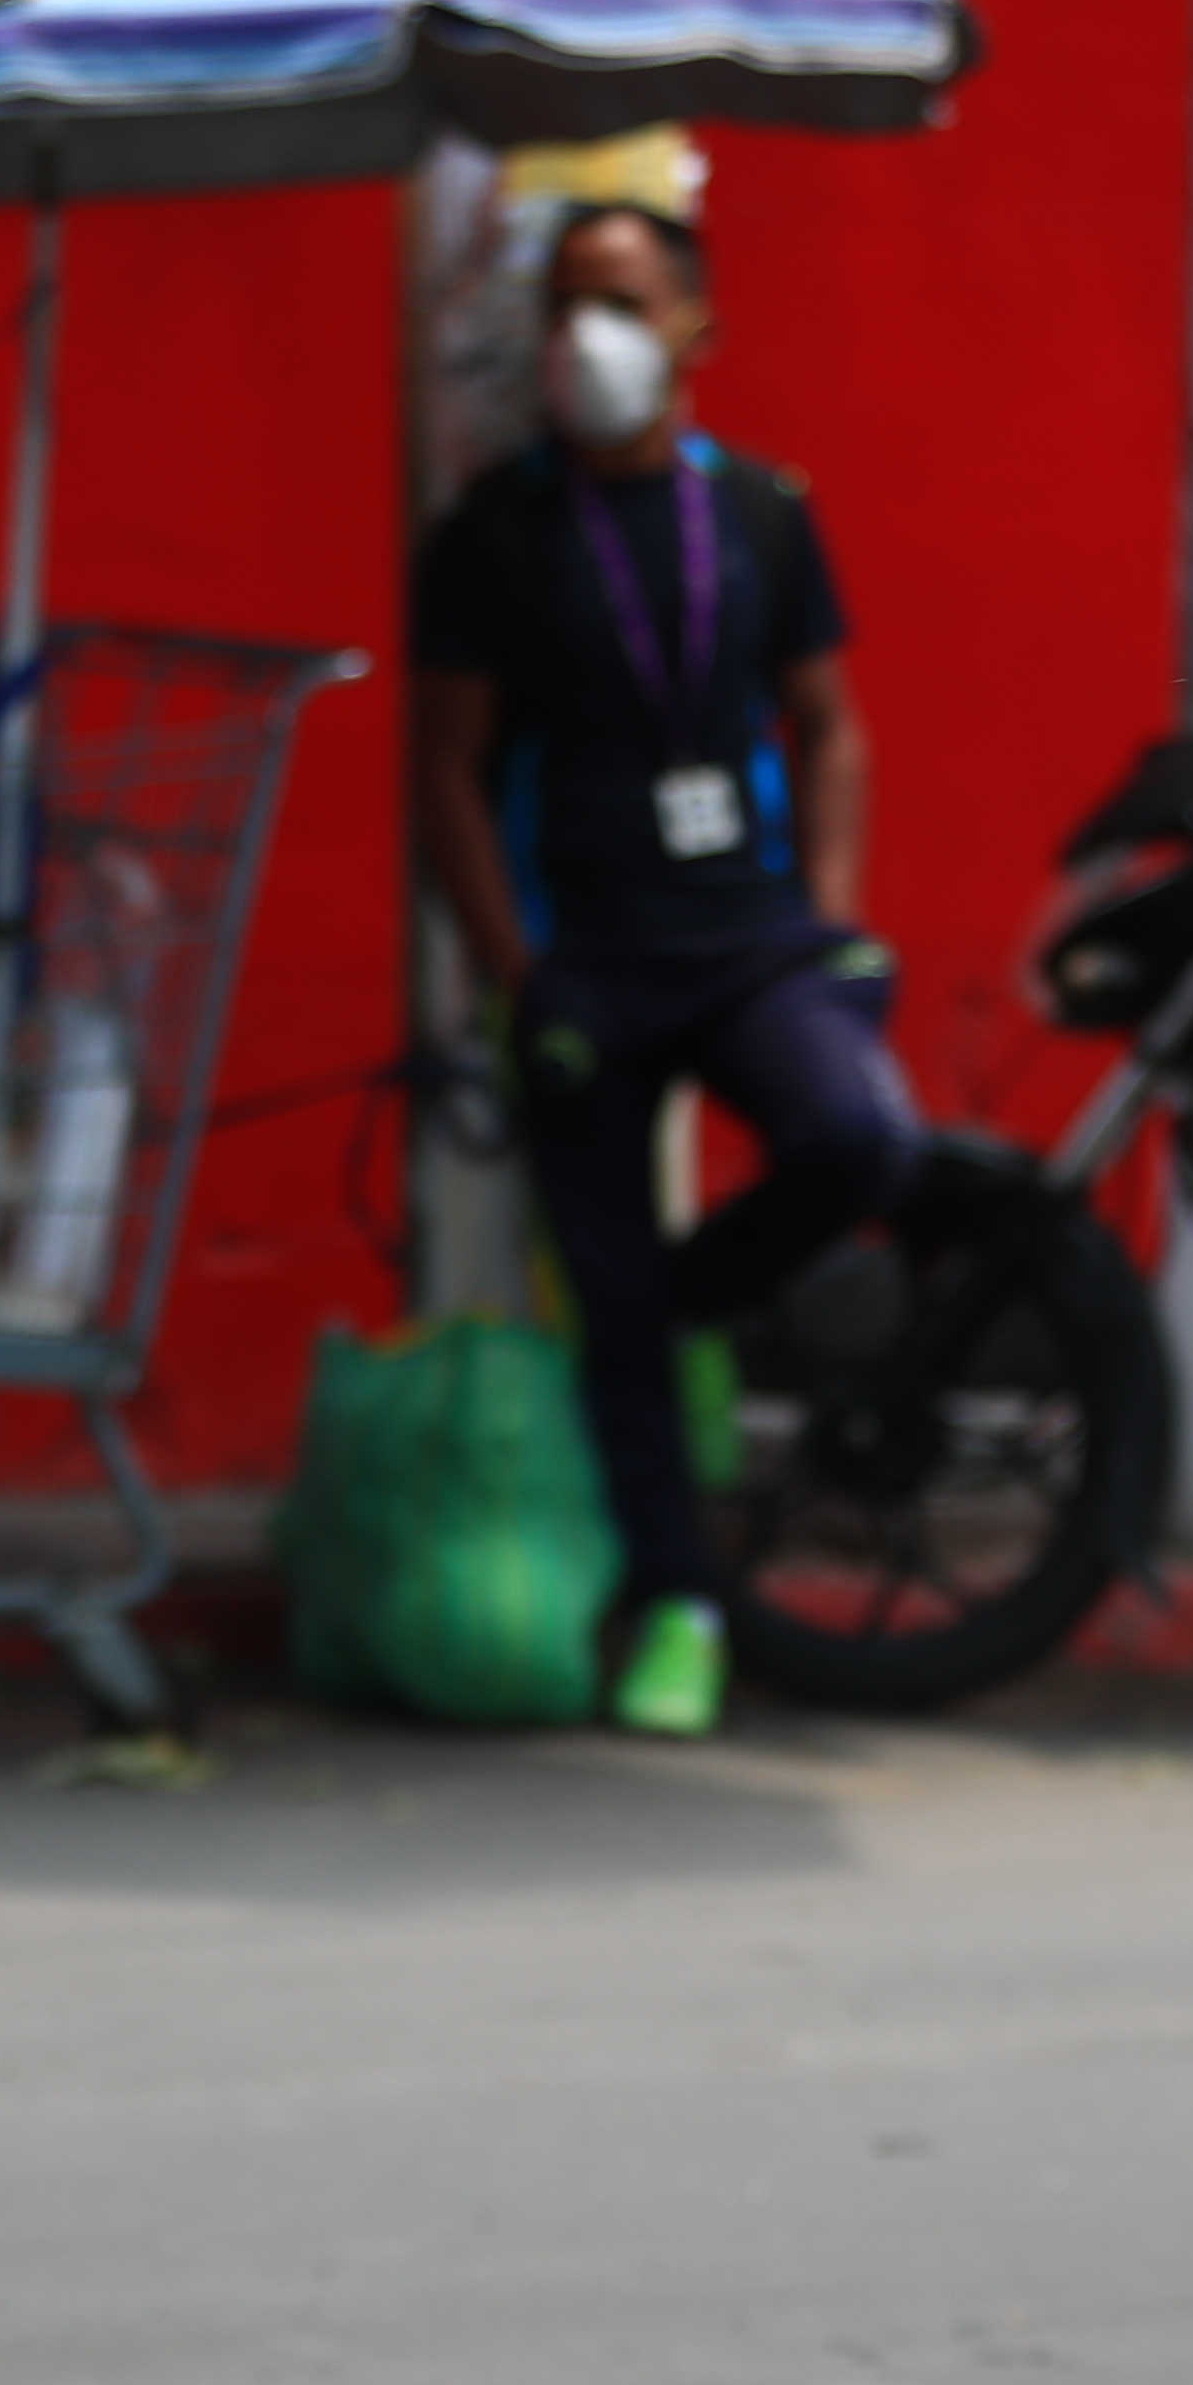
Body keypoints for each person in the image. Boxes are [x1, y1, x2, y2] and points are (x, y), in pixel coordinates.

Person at [409, 200, 914, 1737]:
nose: (588, 338)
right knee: (606, 1296)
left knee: (859, 1137)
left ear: (695, 326)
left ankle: (676, 1308)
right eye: (565, 305)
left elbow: (828, 722)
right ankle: (681, 1605)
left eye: (620, 301)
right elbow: (444, 769)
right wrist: (520, 975)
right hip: (588, 967)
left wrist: (829, 919)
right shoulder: (494, 528)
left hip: (754, 942)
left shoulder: (758, 511)